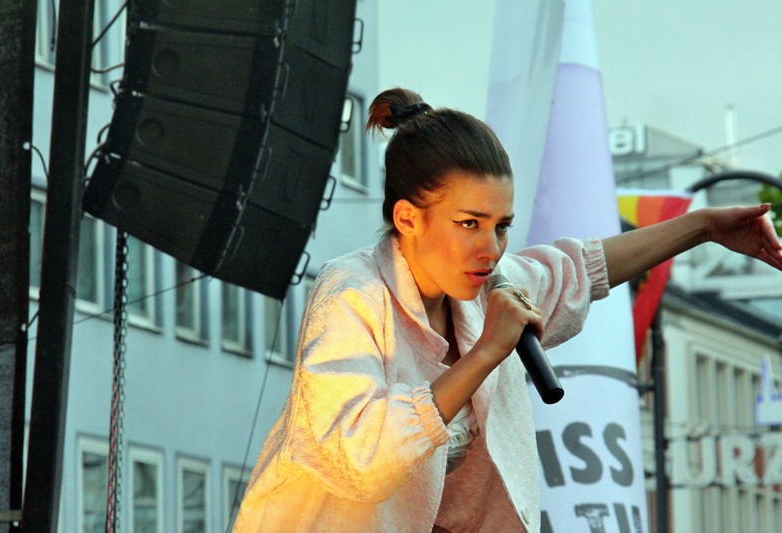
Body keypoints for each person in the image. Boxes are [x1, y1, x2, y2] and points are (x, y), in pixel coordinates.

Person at [233, 88, 782, 532]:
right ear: (407, 219)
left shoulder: (491, 287)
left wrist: (702, 227)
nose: (490, 248)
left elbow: (581, 268)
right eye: (469, 223)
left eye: (501, 227)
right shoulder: (352, 293)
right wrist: (487, 353)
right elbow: (359, 456)